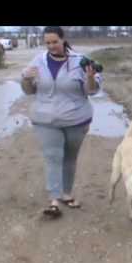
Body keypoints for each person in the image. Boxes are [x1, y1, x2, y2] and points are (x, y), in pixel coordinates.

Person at [21, 26, 102, 218]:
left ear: (63, 40)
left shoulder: (80, 61)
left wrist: (90, 77)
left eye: (54, 42)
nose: (51, 46)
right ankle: (54, 200)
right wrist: (25, 78)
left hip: (76, 119)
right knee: (53, 157)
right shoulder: (38, 61)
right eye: (47, 42)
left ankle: (67, 193)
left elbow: (91, 91)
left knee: (69, 157)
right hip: (45, 119)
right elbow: (29, 90)